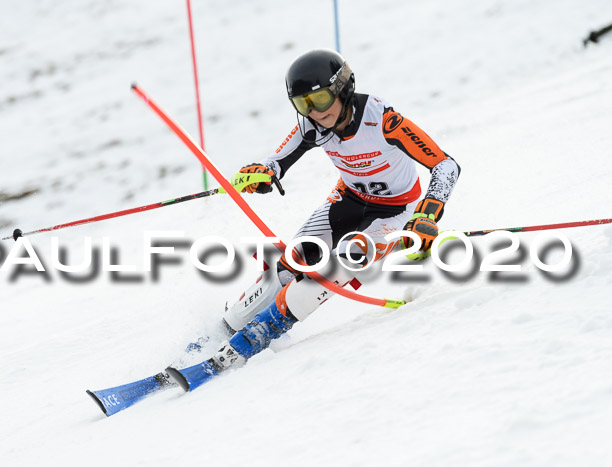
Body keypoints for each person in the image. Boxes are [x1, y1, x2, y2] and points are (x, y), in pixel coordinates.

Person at [166, 49, 461, 391]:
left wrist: (429, 211)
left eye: (320, 99)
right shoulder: (312, 126)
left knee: (347, 258)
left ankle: (261, 333)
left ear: (342, 88)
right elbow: (275, 162)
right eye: (303, 104)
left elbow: (445, 165)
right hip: (348, 201)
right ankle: (223, 332)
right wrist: (261, 174)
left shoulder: (382, 120)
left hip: (396, 211)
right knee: (294, 261)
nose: (315, 112)